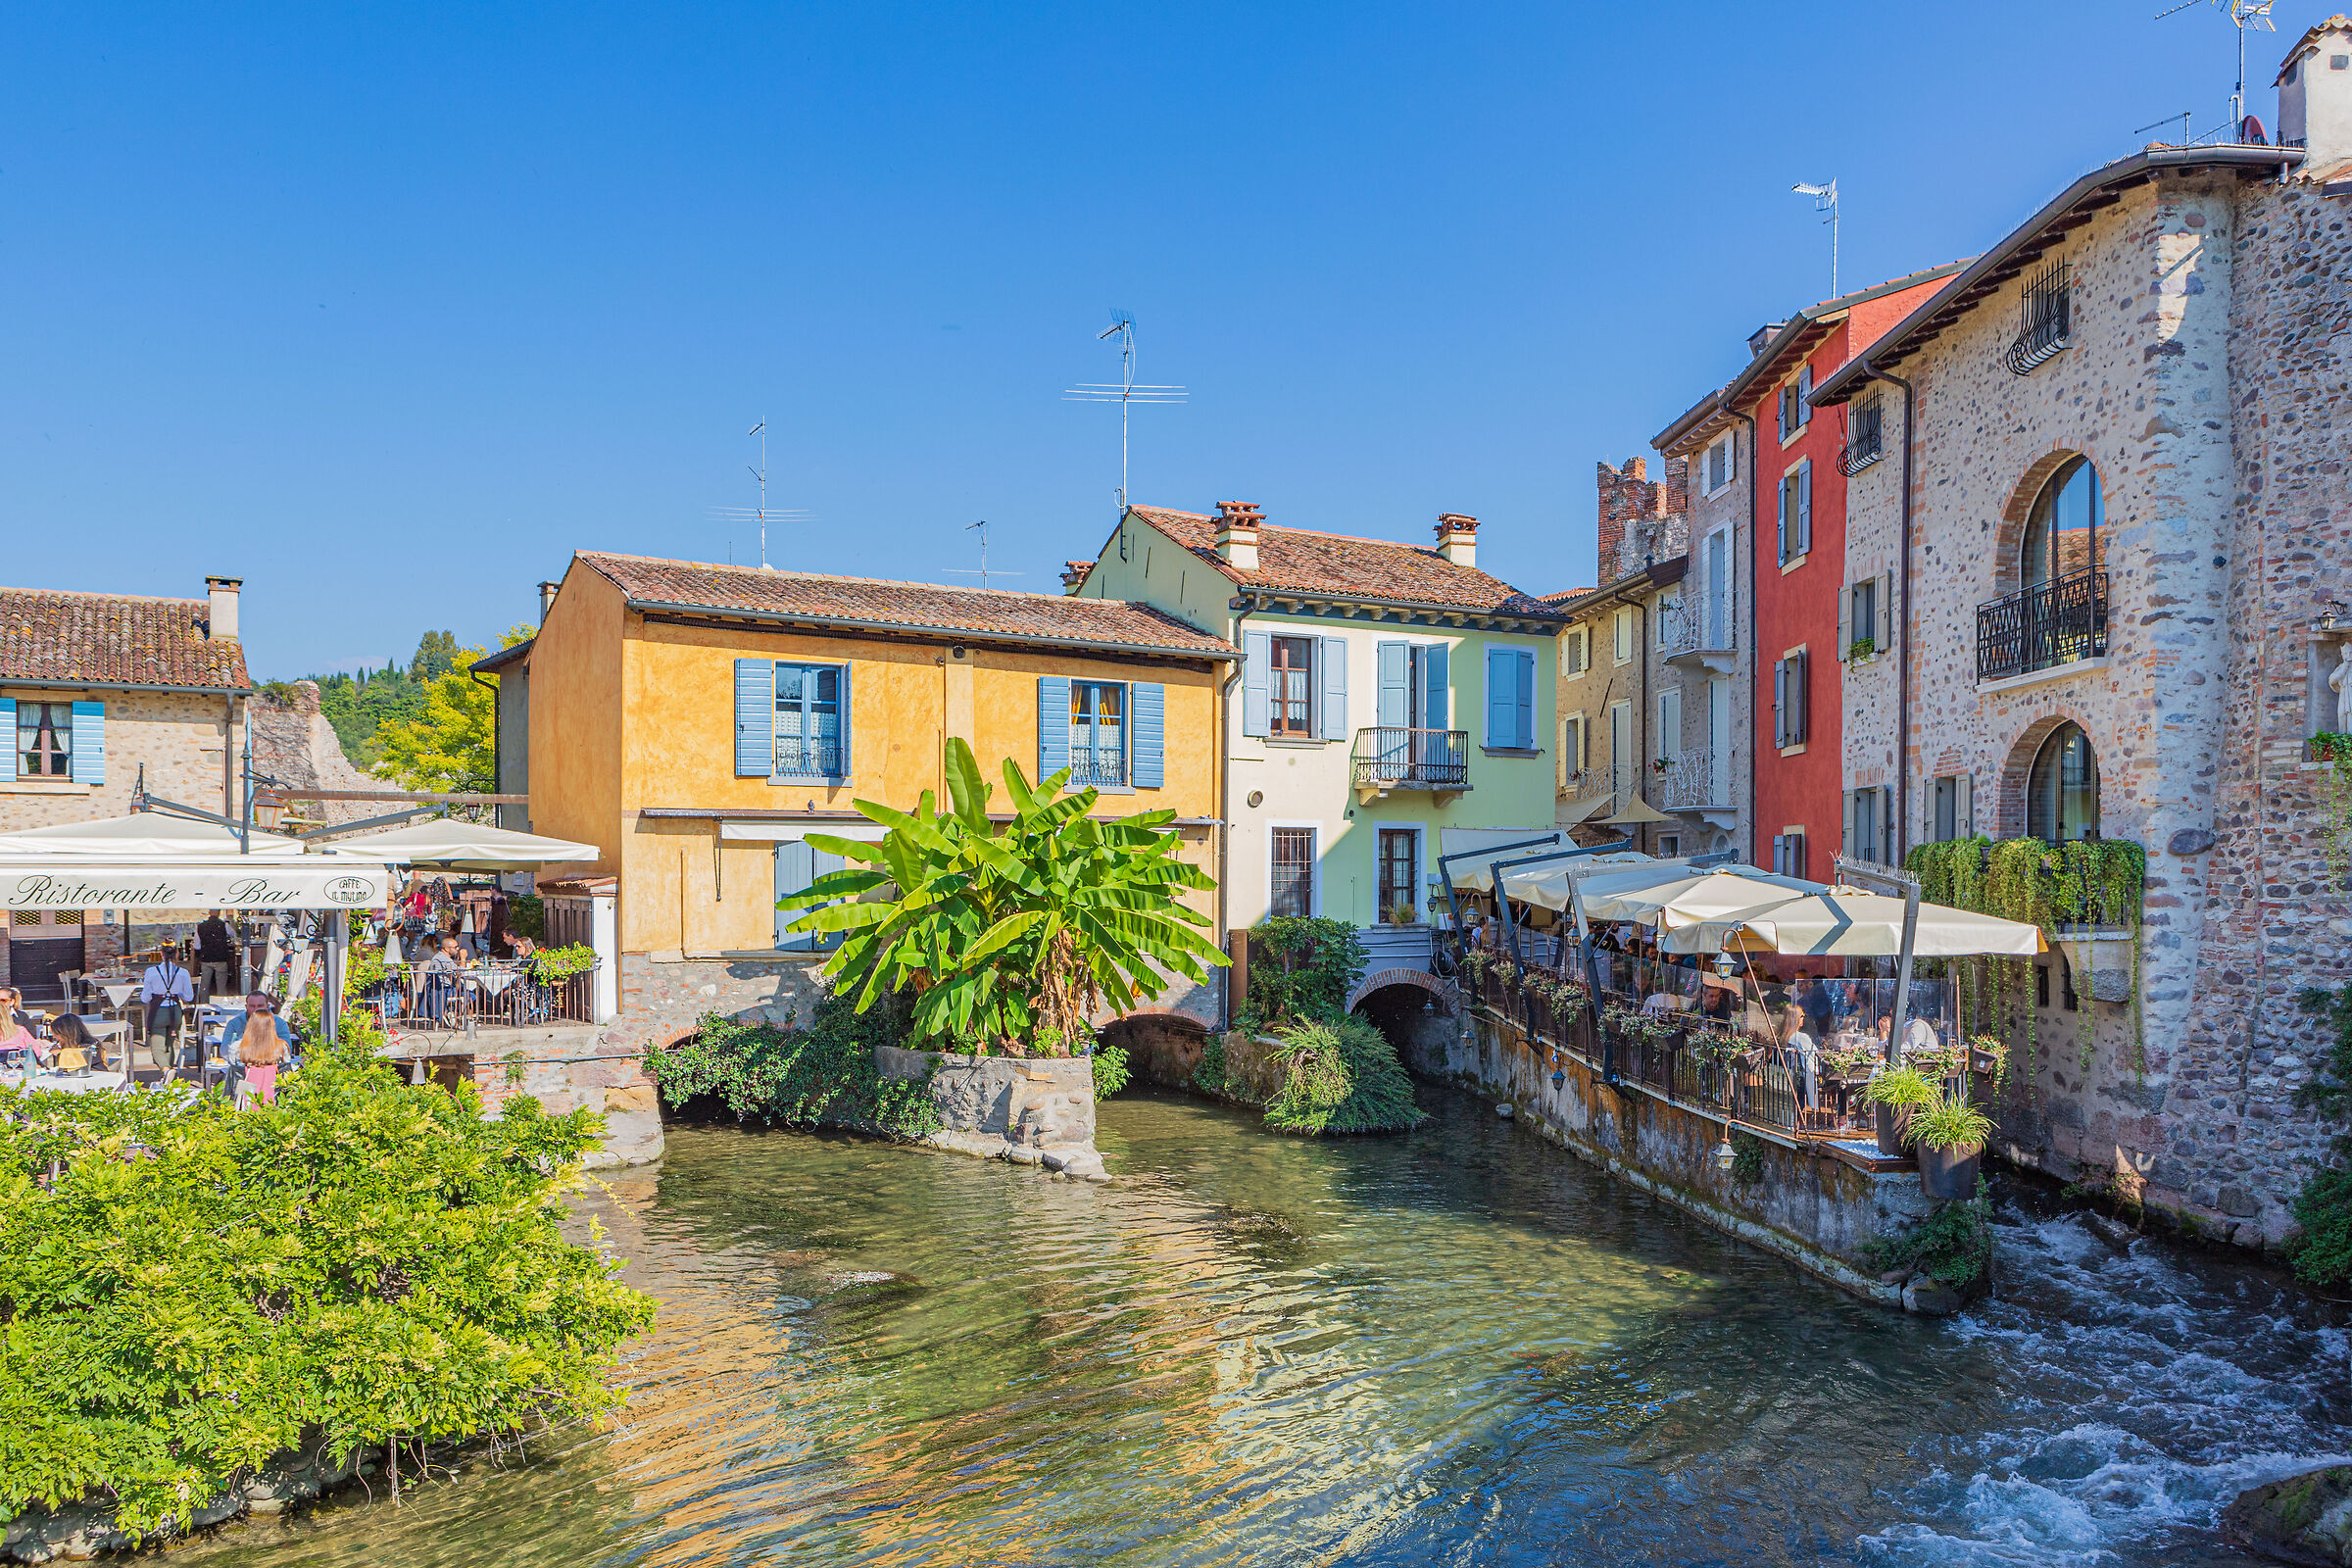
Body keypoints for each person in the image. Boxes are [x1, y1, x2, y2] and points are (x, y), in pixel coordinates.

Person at [223, 991, 292, 1106]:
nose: (256, 1009)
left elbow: (230, 1060)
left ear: (249, 1026)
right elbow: (287, 1063)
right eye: (252, 1006)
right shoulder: (282, 1047)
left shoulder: (237, 1048)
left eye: (259, 1006)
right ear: (272, 1026)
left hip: (244, 1097)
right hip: (275, 1097)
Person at [142, 943, 196, 1078]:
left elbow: (145, 997)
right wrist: (176, 993)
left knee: (157, 1046)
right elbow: (189, 996)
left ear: (161, 954)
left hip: (158, 1011)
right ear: (177, 954)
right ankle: (169, 1078)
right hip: (175, 1011)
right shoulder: (183, 973)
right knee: (169, 1045)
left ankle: (166, 1070)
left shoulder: (151, 972)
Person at [1779, 1002, 1820, 1109]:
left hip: (1788, 1076)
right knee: (1841, 1083)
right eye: (1802, 1016)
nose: (1803, 1018)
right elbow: (1816, 1054)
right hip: (1802, 1078)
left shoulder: (1782, 1036)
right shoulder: (1801, 1037)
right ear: (1796, 1018)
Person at [195, 910, 238, 1000]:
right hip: (220, 958)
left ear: (209, 913)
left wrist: (198, 956)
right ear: (218, 913)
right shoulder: (224, 925)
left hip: (206, 958)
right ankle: (221, 1006)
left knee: (204, 986)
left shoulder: (200, 926)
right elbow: (234, 934)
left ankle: (204, 1005)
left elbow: (197, 945)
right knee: (221, 986)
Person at [1793, 970, 1835, 1041]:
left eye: (1803, 981)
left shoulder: (1817, 994)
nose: (1800, 984)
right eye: (1797, 981)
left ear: (1809, 982)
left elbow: (1823, 1016)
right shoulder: (1795, 995)